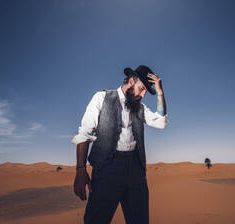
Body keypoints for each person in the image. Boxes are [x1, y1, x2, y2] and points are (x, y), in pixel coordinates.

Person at [71, 65, 168, 224]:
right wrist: (80, 169)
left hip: (136, 172)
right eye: (141, 89)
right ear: (131, 81)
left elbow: (161, 122)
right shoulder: (101, 98)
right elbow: (84, 134)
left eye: (145, 92)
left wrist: (160, 92)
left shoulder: (141, 107)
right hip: (107, 171)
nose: (143, 95)